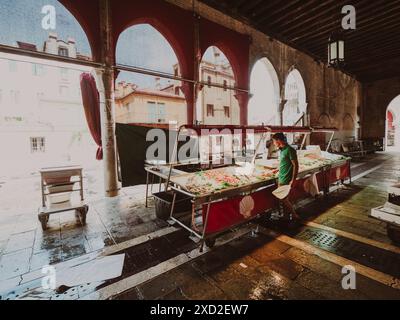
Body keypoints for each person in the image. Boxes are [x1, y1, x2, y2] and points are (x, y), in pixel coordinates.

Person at [272, 132, 300, 221]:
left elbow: (296, 165)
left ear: (278, 140)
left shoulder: (290, 150)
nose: (273, 143)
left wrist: (293, 180)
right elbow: (284, 163)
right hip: (281, 177)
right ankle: (286, 216)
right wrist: (278, 169)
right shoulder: (282, 150)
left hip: (286, 178)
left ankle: (294, 214)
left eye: (274, 141)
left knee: (283, 198)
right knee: (282, 198)